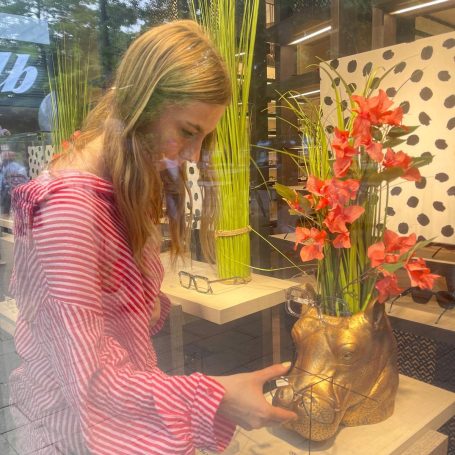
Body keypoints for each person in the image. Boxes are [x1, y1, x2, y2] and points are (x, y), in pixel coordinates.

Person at [9, 20, 296, 455]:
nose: (193, 156)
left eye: (204, 137)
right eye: (187, 131)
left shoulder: (115, 187)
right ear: (141, 104)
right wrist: (216, 397)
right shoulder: (70, 212)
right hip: (74, 436)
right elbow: (91, 383)